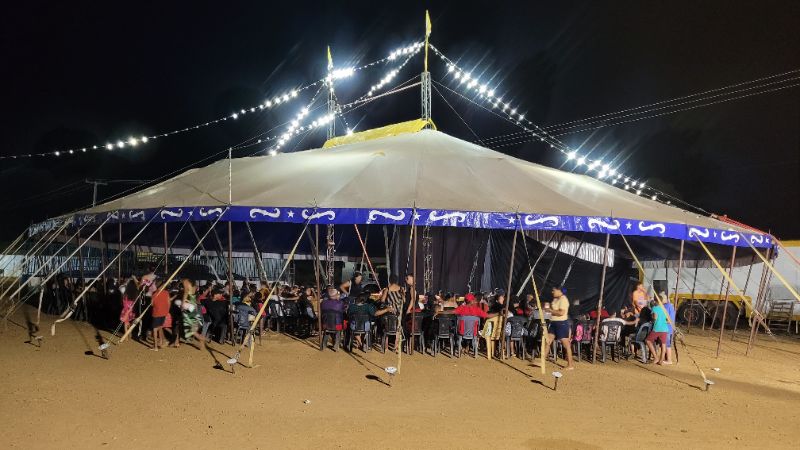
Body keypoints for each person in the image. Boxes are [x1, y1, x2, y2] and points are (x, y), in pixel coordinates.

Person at [546, 286, 574, 370]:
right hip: (553, 323)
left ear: (559, 291)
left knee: (566, 345)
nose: (552, 292)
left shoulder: (563, 300)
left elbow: (561, 313)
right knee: (547, 341)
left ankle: (570, 365)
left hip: (561, 324)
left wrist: (550, 310)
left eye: (554, 290)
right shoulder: (555, 299)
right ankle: (542, 361)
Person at [175, 279, 206, 349]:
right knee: (189, 325)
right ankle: (201, 342)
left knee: (189, 327)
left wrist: (183, 302)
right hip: (192, 303)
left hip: (189, 305)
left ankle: (201, 338)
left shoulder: (186, 281)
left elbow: (186, 292)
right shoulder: (193, 283)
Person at [150, 279, 173, 351]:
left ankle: (155, 347)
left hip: (156, 313)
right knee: (160, 327)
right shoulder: (166, 293)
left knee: (155, 329)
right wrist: (167, 311)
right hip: (164, 313)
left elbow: (152, 304)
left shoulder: (154, 293)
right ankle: (161, 342)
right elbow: (169, 303)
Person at [645, 300, 670, 364]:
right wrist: (663, 321)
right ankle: (661, 361)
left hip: (657, 328)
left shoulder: (654, 308)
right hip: (665, 329)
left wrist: (652, 320)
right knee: (663, 344)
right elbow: (668, 321)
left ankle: (656, 357)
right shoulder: (664, 309)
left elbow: (655, 317)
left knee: (648, 341)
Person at [661, 294, 676, 364]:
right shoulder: (669, 306)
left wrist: (661, 321)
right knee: (665, 343)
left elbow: (669, 319)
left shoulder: (667, 306)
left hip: (667, 328)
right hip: (668, 328)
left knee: (667, 344)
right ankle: (665, 357)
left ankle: (669, 360)